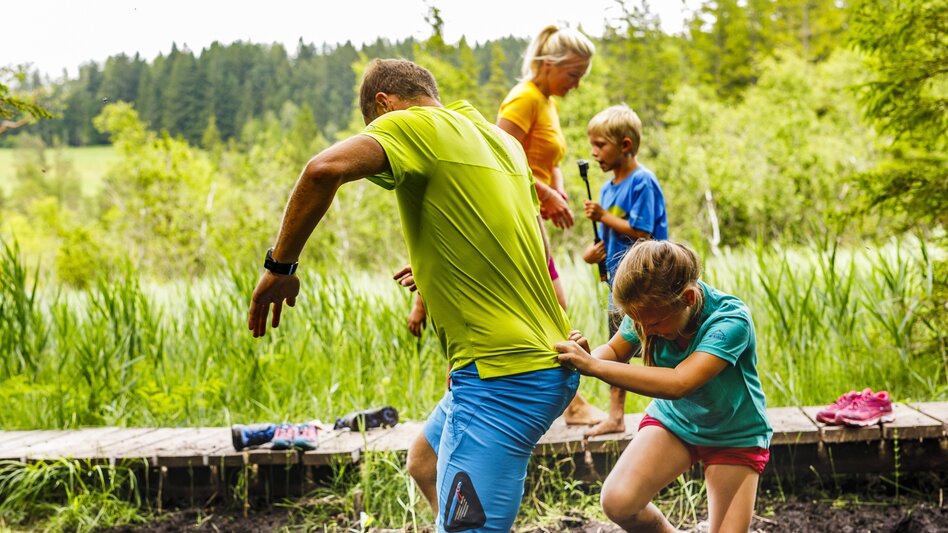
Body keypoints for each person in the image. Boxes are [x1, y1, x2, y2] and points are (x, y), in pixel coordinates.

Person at [248, 58, 578, 532]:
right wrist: (437, 272)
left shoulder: (411, 123)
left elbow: (322, 169)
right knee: (425, 460)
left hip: (502, 377)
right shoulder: (498, 140)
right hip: (547, 356)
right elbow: (525, 241)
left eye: (375, 127)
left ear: (385, 104)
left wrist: (280, 267)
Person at [556, 240, 773, 533]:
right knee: (618, 501)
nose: (646, 330)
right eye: (638, 322)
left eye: (654, 323)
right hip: (675, 421)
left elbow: (679, 383)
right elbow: (614, 351)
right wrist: (586, 356)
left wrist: (594, 367)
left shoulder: (730, 320)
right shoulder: (647, 312)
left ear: (688, 298)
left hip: (734, 434)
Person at [497, 24, 605, 427]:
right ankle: (571, 406)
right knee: (551, 306)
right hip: (515, 215)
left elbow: (547, 157)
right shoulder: (523, 98)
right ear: (547, 64)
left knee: (552, 305)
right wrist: (546, 194)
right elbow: (499, 156)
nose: (576, 84)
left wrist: (556, 190)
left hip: (532, 214)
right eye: (573, 74)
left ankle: (561, 402)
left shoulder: (545, 101)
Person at [580, 104, 668, 437]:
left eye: (601, 145)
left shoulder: (641, 182)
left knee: (658, 344)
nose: (594, 152)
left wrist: (604, 216)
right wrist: (593, 255)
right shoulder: (606, 188)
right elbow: (609, 239)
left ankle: (666, 408)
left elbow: (643, 233)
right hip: (619, 286)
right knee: (617, 347)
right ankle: (616, 415)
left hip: (649, 284)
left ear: (626, 145)